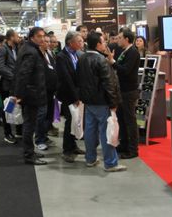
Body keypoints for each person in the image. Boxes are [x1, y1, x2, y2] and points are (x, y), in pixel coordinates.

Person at [77, 31, 126, 172]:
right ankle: (110, 163)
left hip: (89, 102)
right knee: (107, 132)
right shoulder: (100, 60)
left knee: (90, 131)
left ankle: (90, 158)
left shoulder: (82, 58)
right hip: (102, 102)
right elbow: (109, 83)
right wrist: (113, 103)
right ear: (98, 44)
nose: (105, 44)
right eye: (103, 42)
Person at [13, 27, 48, 165]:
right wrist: (19, 95)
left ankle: (30, 151)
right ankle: (29, 155)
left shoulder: (30, 49)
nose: (42, 39)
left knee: (30, 124)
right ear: (32, 37)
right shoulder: (31, 52)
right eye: (39, 36)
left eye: (43, 36)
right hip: (31, 95)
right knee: (29, 125)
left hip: (32, 93)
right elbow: (23, 74)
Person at [56, 31, 86, 163]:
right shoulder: (61, 56)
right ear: (70, 42)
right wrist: (75, 97)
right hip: (68, 94)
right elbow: (66, 79)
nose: (82, 43)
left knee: (76, 121)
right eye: (79, 41)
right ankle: (66, 150)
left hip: (77, 93)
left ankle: (73, 146)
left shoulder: (77, 54)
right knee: (69, 122)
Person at [112, 28, 140, 159]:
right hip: (122, 90)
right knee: (122, 119)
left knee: (130, 120)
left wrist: (113, 63)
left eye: (120, 38)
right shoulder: (125, 51)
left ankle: (133, 149)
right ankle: (124, 144)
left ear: (126, 39)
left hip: (129, 91)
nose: (118, 40)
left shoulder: (133, 52)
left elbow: (126, 70)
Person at [0, 29, 22, 143]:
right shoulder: (2, 49)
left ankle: (18, 131)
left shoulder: (15, 48)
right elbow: (0, 67)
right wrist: (13, 77)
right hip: (7, 85)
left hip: (15, 85)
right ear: (11, 37)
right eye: (17, 36)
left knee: (17, 107)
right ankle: (7, 134)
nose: (19, 37)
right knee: (7, 109)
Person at [34, 34, 57, 151]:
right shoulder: (37, 55)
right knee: (41, 116)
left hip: (50, 91)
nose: (48, 44)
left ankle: (45, 136)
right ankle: (39, 140)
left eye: (49, 42)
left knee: (48, 115)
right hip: (41, 91)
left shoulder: (49, 54)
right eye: (46, 42)